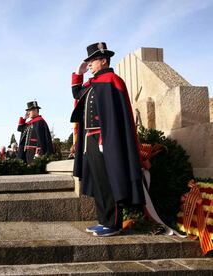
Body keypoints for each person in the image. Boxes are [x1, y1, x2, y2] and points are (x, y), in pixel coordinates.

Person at [70, 42, 144, 237]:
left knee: (111, 181)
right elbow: (77, 94)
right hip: (90, 140)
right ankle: (104, 220)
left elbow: (111, 116)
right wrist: (78, 74)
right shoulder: (93, 83)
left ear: (103, 60)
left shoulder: (112, 80)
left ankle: (113, 224)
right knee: (99, 181)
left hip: (106, 140)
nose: (90, 65)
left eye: (92, 61)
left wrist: (105, 139)